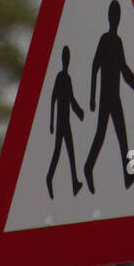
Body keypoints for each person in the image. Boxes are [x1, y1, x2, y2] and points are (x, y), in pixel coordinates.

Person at [84, 0, 134, 193]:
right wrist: (91, 97)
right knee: (101, 135)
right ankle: (88, 168)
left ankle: (127, 175)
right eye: (114, 15)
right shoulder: (105, 40)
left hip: (115, 96)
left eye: (118, 16)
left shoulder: (118, 42)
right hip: (106, 96)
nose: (116, 19)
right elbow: (94, 67)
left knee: (122, 136)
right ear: (111, 18)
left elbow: (123, 68)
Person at [46, 45, 84, 199]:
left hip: (66, 121)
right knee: (58, 152)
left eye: (68, 58)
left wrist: (79, 111)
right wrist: (51, 122)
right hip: (61, 121)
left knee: (70, 152)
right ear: (63, 59)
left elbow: (71, 99)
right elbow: (53, 99)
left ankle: (74, 182)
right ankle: (49, 178)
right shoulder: (61, 77)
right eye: (66, 57)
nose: (67, 60)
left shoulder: (67, 78)